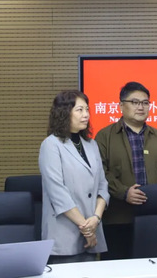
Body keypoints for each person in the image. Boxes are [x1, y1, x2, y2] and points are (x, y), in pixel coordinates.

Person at [96, 81, 157, 260]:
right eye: (135, 102)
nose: (141, 107)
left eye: (145, 103)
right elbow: (100, 173)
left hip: (155, 219)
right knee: (117, 268)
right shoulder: (105, 136)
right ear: (121, 105)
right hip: (117, 218)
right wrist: (124, 192)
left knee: (154, 267)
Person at [39, 90, 110, 264]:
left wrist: (96, 219)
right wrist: (86, 228)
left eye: (87, 109)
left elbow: (103, 186)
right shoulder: (51, 145)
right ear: (64, 113)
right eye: (79, 110)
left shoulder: (91, 144)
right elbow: (58, 193)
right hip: (65, 234)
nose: (86, 115)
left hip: (92, 230)